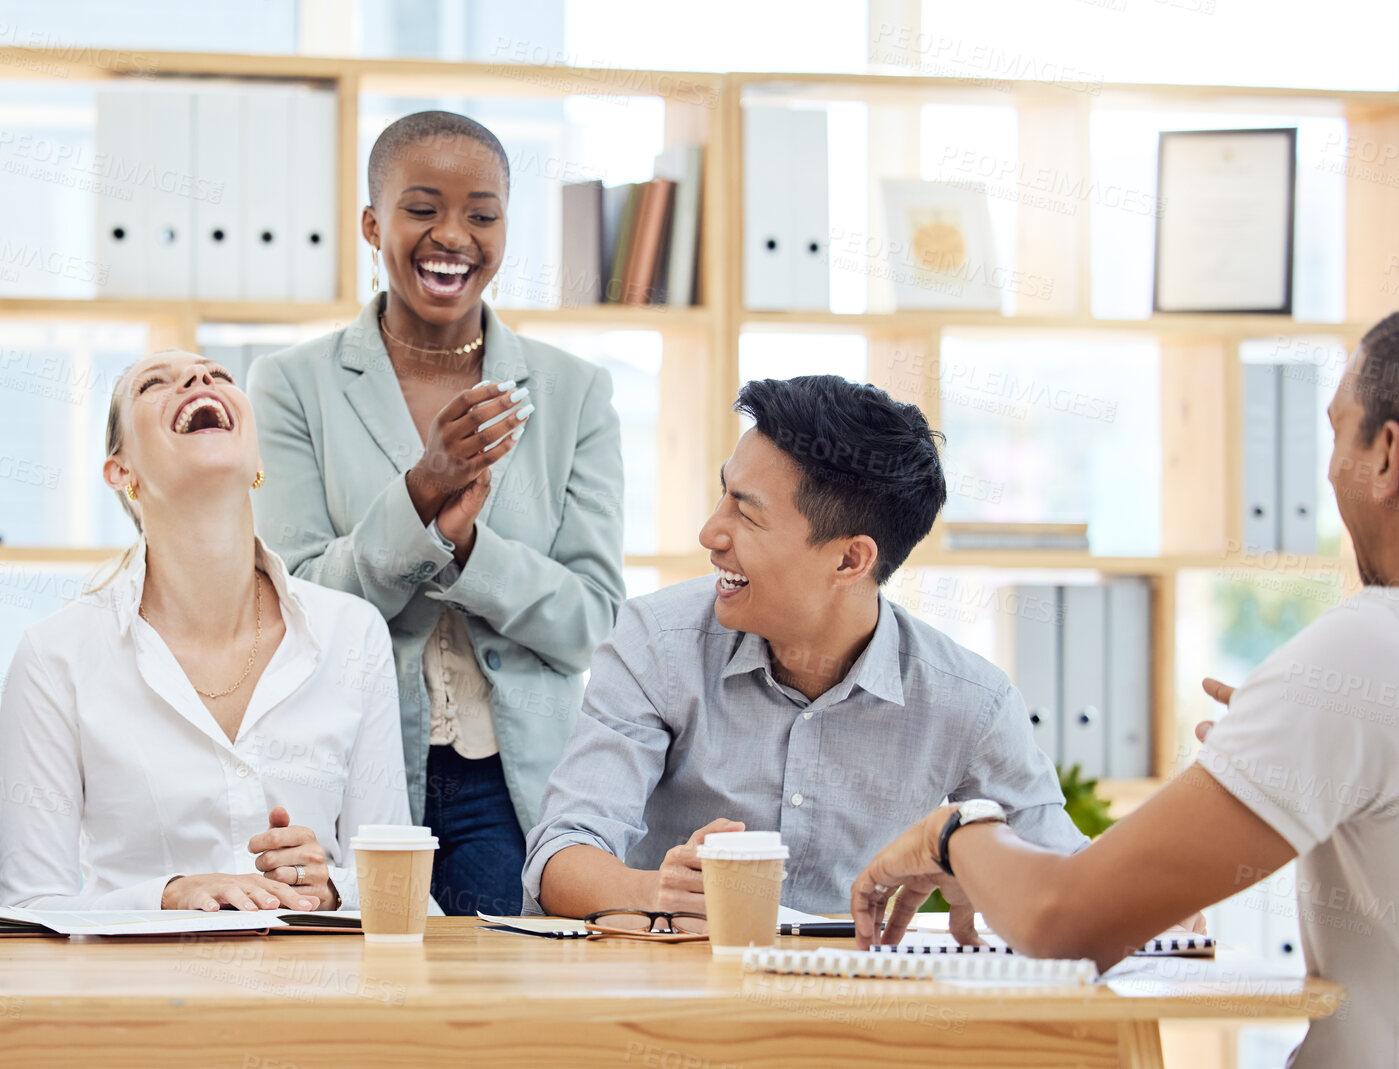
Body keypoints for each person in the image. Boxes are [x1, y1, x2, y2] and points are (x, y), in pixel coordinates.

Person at [851, 314, 1399, 1068]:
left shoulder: (1364, 649)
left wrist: (950, 830)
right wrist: (1300, 742)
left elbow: (1063, 922)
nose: (1329, 465)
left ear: (1386, 454)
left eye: (1338, 432)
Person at [527, 375, 1088, 918]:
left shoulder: (969, 700)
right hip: (675, 991)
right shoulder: (657, 643)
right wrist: (657, 892)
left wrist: (975, 855)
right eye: (724, 494)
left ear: (850, 560)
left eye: (746, 514)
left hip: (857, 999)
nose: (710, 534)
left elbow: (1066, 876)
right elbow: (563, 851)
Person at [247, 111, 625, 916]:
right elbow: (295, 603)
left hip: (515, 780)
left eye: (480, 215)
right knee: (360, 1017)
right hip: (351, 763)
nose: (451, 234)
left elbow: (590, 621)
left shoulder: (575, 392)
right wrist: (420, 495)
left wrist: (466, 553)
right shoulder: (289, 384)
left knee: (491, 1024)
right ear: (372, 224)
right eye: (422, 208)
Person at [0, 350, 412, 912]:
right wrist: (163, 899)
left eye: (217, 375)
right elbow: (27, 908)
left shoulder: (352, 634)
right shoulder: (55, 657)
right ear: (122, 472)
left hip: (320, 992)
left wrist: (336, 889)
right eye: (154, 384)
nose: (198, 379)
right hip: (140, 995)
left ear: (257, 458)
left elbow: (401, 889)